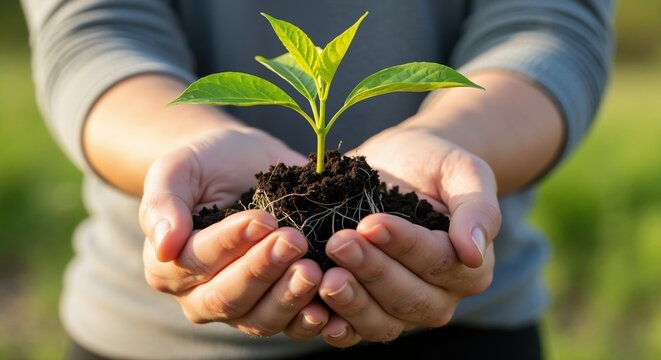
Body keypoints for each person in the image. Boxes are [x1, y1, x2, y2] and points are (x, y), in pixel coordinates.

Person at [20, 1, 614, 359]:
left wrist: (455, 142)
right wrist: (178, 148)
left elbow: (550, 22)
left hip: (468, 326)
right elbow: (92, 30)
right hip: (152, 340)